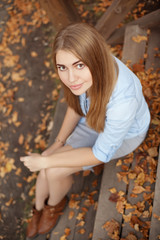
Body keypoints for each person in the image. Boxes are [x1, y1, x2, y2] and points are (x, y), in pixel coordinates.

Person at [20, 22, 150, 238]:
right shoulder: (85, 76)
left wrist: (47, 162)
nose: (71, 78)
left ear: (94, 57)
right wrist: (57, 144)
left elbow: (101, 153)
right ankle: (39, 208)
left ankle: (54, 205)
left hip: (124, 136)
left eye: (79, 65)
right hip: (93, 120)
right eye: (63, 67)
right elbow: (76, 105)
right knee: (47, 160)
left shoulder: (122, 102)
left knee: (51, 168)